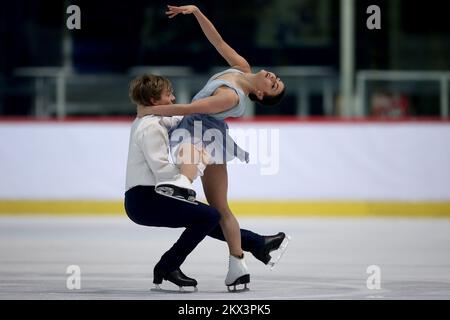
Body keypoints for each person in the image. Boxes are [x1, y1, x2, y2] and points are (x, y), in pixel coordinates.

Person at [137, 5, 286, 290]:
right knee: (220, 208)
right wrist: (195, 12)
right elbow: (217, 41)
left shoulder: (232, 96)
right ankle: (238, 266)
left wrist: (151, 110)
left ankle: (182, 183)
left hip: (200, 129)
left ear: (259, 94)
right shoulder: (241, 68)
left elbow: (193, 108)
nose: (273, 78)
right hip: (213, 134)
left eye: (274, 85)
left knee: (189, 148)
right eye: (276, 79)